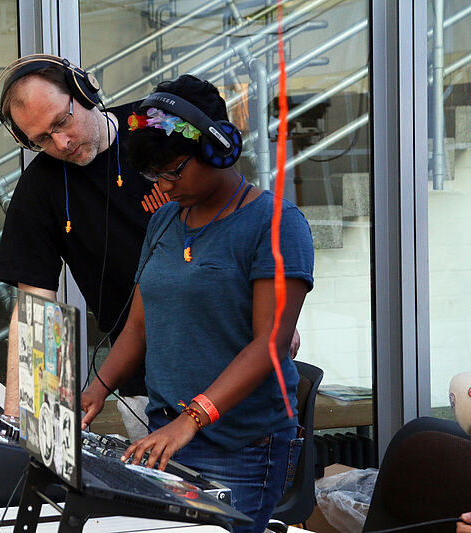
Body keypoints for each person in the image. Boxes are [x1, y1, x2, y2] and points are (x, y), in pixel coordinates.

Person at [0, 55, 301, 434]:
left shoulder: (155, 127)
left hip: (234, 365)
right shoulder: (40, 188)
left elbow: (238, 212)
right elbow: (36, 308)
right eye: (41, 139)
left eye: (62, 121)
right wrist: (20, 424)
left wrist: (276, 314)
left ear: (84, 91)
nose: (61, 142)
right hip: (143, 382)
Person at [79, 75, 314, 533]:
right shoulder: (165, 219)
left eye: (173, 171)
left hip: (241, 445)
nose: (164, 186)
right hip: (167, 432)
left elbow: (270, 344)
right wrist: (96, 390)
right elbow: (138, 328)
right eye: (154, 175)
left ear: (218, 148)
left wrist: (190, 420)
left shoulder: (276, 224)